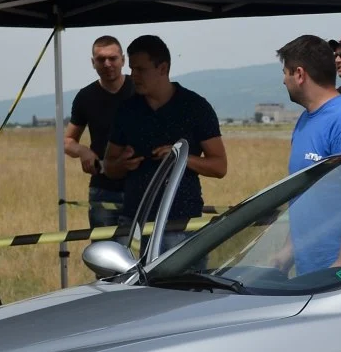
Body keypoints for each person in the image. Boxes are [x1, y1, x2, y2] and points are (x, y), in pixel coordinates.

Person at [275, 35, 341, 276]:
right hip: (312, 271)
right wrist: (288, 251)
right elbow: (307, 198)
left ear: (300, 74)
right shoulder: (306, 120)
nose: (283, 81)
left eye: (285, 73)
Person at [103, 35, 226, 236]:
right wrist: (121, 165)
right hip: (133, 222)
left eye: (141, 69)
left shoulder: (195, 107)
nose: (133, 76)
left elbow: (220, 166)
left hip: (181, 222)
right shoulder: (126, 110)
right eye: (131, 69)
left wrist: (180, 158)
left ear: (163, 68)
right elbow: (108, 166)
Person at [64, 36, 133, 229]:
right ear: (93, 62)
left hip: (142, 187)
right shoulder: (85, 97)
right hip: (103, 189)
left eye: (113, 58)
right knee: (104, 247)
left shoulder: (141, 89)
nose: (107, 64)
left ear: (123, 60)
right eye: (101, 59)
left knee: (143, 247)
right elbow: (67, 141)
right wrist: (83, 151)